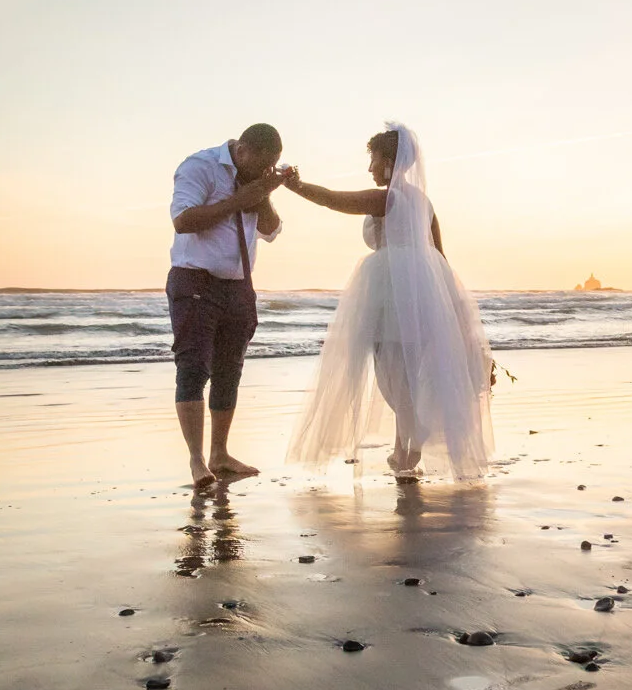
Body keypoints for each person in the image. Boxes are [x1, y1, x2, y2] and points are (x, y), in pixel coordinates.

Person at [281, 124, 494, 480]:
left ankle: (409, 444)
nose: (369, 168)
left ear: (389, 161)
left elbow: (334, 200)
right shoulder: (424, 203)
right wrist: (454, 310)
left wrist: (296, 186)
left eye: (374, 160)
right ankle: (406, 442)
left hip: (392, 290)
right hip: (427, 288)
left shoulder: (387, 198)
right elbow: (440, 254)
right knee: (408, 373)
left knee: (393, 374)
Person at [167, 123, 290, 492]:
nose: (263, 170)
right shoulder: (200, 166)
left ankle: (220, 453)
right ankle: (196, 459)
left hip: (239, 285)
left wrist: (263, 193)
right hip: (195, 281)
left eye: (272, 165)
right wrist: (239, 198)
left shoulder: (257, 179)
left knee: (229, 372)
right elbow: (183, 221)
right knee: (193, 368)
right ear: (242, 149)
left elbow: (270, 230)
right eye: (260, 163)